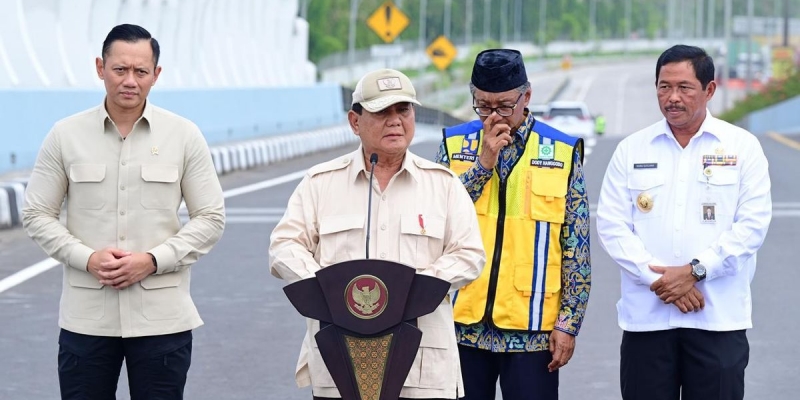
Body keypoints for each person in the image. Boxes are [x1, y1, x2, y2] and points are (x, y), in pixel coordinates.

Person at [22, 24, 225, 399]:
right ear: (100, 67)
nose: (130, 81)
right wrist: (87, 258)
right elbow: (36, 214)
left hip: (162, 319)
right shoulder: (65, 135)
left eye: (141, 71)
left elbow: (211, 217)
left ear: (156, 75)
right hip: (87, 319)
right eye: (120, 69)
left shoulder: (184, 136)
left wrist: (153, 259)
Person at [269, 68, 486, 400]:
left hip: (423, 369)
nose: (395, 120)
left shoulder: (443, 185)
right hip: (340, 362)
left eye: (403, 110)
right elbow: (284, 247)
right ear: (355, 122)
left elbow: (469, 254)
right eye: (382, 111)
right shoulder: (319, 183)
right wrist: (334, 291)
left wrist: (412, 289)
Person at [596, 44, 772, 400]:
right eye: (664, 87)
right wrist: (661, 280)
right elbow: (611, 225)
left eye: (684, 87)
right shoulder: (632, 149)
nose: (672, 97)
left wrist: (694, 272)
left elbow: (751, 226)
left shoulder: (742, 147)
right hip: (647, 320)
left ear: (709, 90)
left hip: (718, 320)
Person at [435, 49, 592, 400]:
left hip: (532, 329)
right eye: (483, 105)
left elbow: (577, 248)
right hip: (461, 325)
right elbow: (436, 219)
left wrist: (569, 323)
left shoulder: (562, 152)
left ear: (527, 96)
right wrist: (483, 165)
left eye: (505, 106)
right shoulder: (454, 146)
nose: (494, 115)